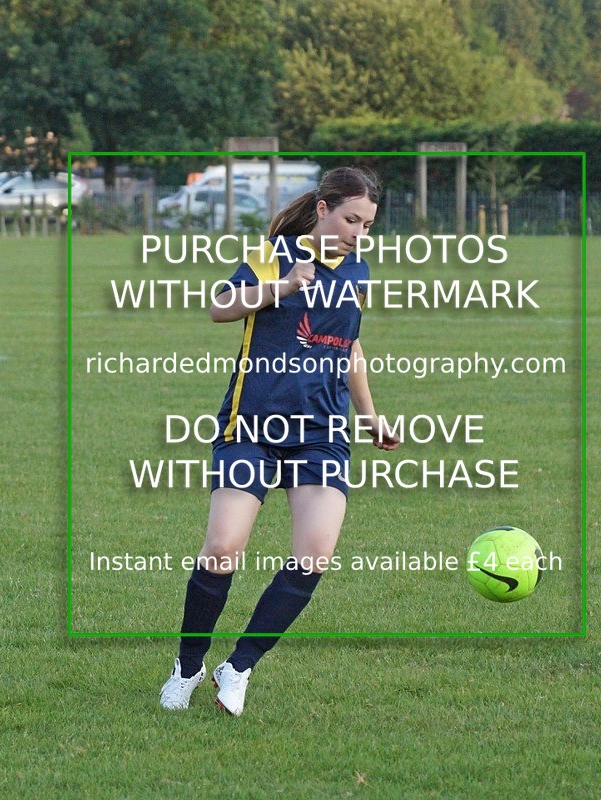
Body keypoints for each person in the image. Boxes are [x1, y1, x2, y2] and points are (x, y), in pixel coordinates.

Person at [160, 166, 400, 716]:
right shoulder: (273, 254)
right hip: (252, 426)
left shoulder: (357, 269)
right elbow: (219, 307)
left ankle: (238, 667)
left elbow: (349, 348)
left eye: (366, 224)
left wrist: (370, 416)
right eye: (349, 219)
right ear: (323, 209)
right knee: (222, 550)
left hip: (321, 432)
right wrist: (285, 286)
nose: (358, 232)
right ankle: (188, 666)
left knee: (314, 553)